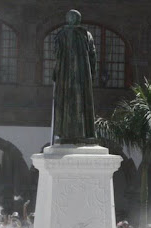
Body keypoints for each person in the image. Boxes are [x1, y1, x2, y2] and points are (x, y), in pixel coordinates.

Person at [52, 9, 96, 145]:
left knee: (66, 102)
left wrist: (56, 72)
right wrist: (91, 74)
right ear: (79, 20)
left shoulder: (60, 35)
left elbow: (56, 55)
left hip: (65, 78)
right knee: (82, 102)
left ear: (68, 19)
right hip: (83, 77)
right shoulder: (86, 35)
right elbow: (93, 56)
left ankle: (66, 133)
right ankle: (84, 133)